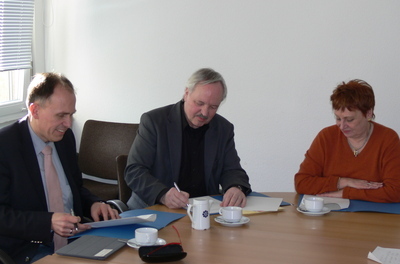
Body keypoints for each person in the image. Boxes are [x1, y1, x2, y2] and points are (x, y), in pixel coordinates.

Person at [0, 73, 120, 264]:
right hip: (30, 248)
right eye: (61, 115)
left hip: (75, 238)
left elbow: (75, 188)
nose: (68, 124)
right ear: (35, 110)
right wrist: (48, 222)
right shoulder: (5, 146)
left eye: (71, 114)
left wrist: (94, 203)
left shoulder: (65, 139)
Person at [125, 68, 251, 210]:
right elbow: (134, 171)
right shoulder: (155, 122)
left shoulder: (223, 129)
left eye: (213, 107)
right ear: (186, 94)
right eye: (199, 103)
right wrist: (162, 194)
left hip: (202, 211)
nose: (204, 112)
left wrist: (236, 187)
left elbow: (232, 170)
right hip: (153, 208)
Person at [294, 79, 400, 203]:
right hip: (331, 216)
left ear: (368, 114)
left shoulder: (387, 139)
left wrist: (345, 193)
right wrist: (343, 182)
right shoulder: (326, 137)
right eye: (338, 118)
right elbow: (301, 183)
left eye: (349, 120)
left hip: (373, 217)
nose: (342, 126)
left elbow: (395, 191)